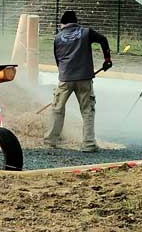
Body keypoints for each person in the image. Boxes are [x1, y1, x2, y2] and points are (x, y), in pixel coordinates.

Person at [44, 10, 112, 153]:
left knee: (57, 109)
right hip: (84, 78)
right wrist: (107, 59)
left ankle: (50, 141)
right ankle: (88, 144)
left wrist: (66, 72)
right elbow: (103, 39)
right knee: (87, 111)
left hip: (65, 78)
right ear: (75, 22)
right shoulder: (86, 32)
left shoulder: (57, 38)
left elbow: (58, 60)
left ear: (62, 24)